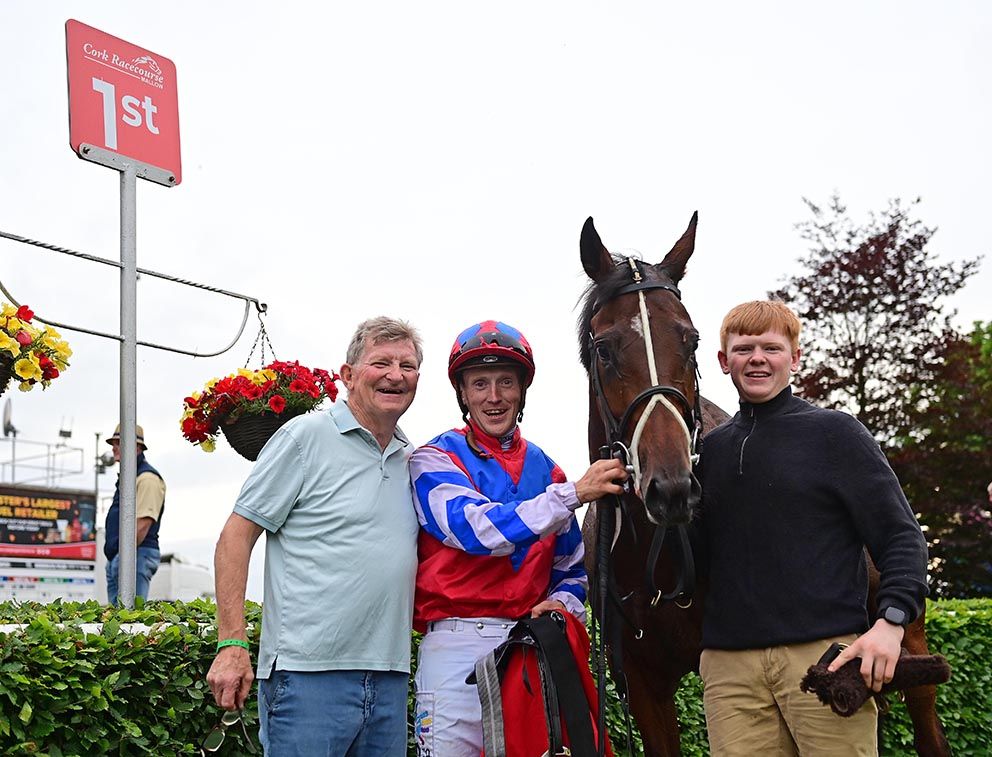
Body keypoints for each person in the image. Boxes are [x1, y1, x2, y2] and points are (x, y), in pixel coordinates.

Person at [696, 300, 929, 756]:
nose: (757, 358)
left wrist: (892, 622)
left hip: (826, 655)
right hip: (729, 668)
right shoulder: (708, 453)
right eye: (743, 349)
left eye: (771, 347)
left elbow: (901, 537)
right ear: (724, 362)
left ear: (794, 358)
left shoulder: (836, 433)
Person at [410, 320, 629, 757]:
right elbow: (474, 529)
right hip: (453, 651)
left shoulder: (548, 470)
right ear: (463, 393)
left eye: (506, 382)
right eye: (480, 384)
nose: (494, 397)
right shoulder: (432, 458)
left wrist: (563, 605)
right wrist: (572, 495)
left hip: (527, 648)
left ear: (522, 391)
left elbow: (571, 570)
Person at [206, 316, 423, 757]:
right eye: (380, 362)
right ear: (347, 376)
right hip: (306, 678)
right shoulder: (305, 436)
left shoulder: (412, 459)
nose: (395, 375)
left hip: (389, 676)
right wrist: (231, 642)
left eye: (408, 365)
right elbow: (236, 535)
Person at [103, 423, 165, 604]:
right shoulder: (132, 476)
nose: (113, 448)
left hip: (136, 554)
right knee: (121, 620)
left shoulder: (147, 478)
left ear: (135, 446)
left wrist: (122, 558)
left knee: (130, 621)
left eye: (118, 443)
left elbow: (143, 524)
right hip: (128, 555)